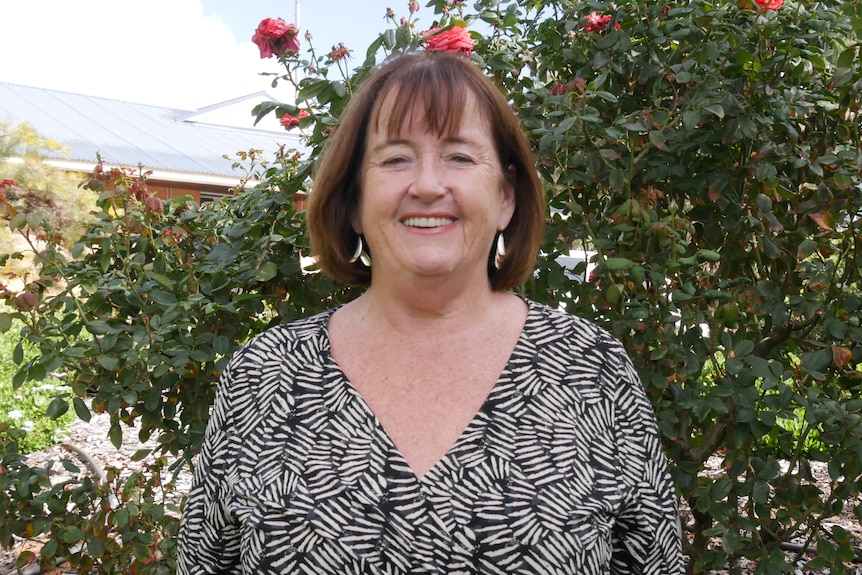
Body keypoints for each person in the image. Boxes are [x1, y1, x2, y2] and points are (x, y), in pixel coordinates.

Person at [177, 50, 683, 574]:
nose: (426, 185)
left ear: (506, 197)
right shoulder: (265, 373)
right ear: (353, 200)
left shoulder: (591, 368)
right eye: (395, 159)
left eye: (459, 157)